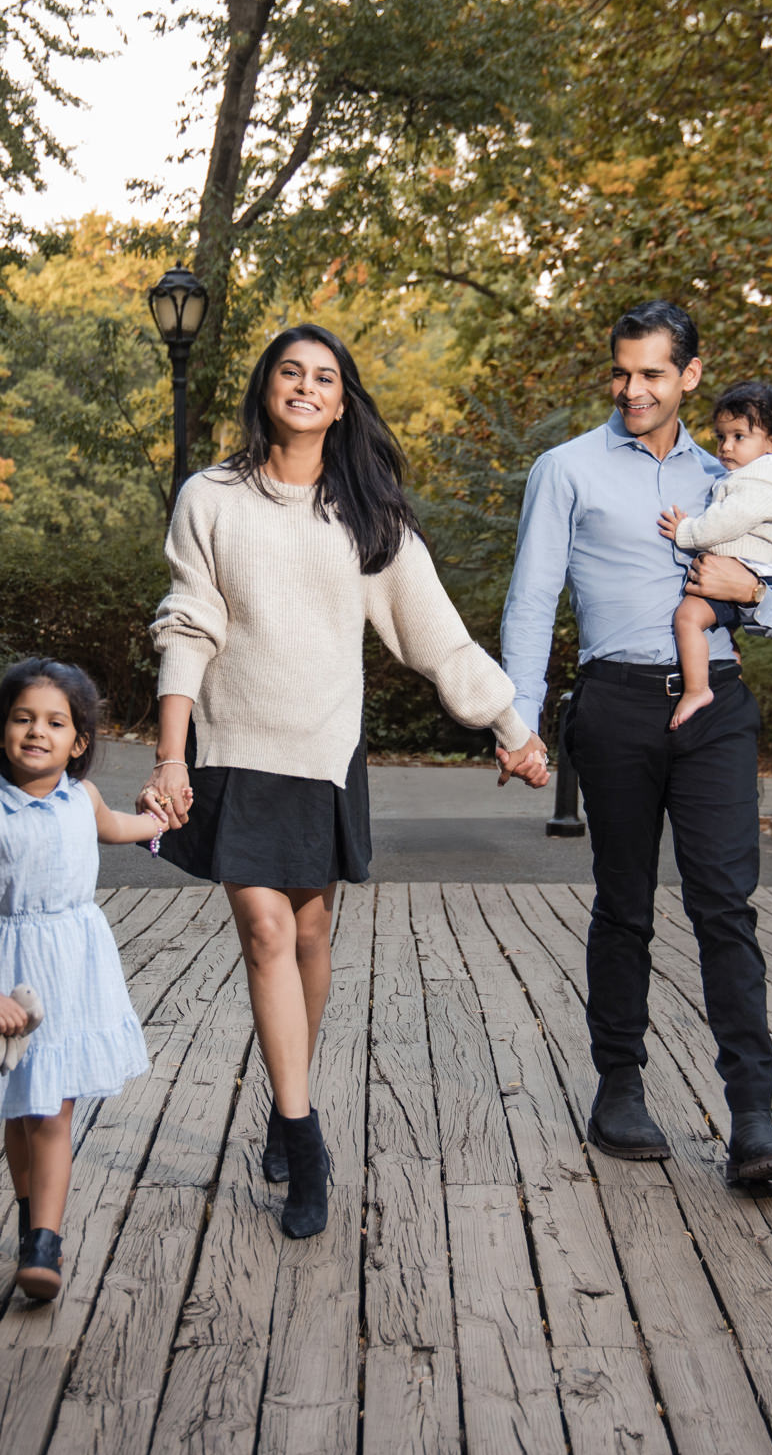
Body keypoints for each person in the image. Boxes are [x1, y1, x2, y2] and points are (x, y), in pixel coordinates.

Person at [142, 323, 549, 1239]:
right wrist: (172, 755)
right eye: (290, 371)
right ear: (266, 389)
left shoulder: (369, 514)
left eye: (324, 377)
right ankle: (303, 1131)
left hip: (324, 753)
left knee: (312, 931)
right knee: (264, 928)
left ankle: (293, 1089)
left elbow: (437, 637)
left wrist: (513, 730)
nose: (306, 386)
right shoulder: (210, 498)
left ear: (342, 400)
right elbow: (187, 625)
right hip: (236, 747)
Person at [499, 300, 772, 1185]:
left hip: (716, 707)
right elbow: (532, 599)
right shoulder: (566, 469)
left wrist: (743, 586)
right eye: (622, 372)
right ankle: (620, 1086)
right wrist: (517, 722)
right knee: (624, 901)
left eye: (653, 375)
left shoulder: (739, 473)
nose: (633, 389)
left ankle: (753, 1116)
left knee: (724, 904)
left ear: (691, 377)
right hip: (617, 704)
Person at [0, 659, 165, 1301]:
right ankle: (32, 1216)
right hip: (9, 977)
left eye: (54, 723)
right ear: (2, 731)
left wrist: (162, 822)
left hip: (75, 974)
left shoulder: (83, 798)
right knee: (23, 1111)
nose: (36, 732)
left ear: (77, 743)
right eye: (23, 719)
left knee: (52, 1108)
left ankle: (43, 1245)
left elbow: (117, 829)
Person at [658, 381, 772, 730]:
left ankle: (697, 689)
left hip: (753, 570)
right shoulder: (757, 475)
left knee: (688, 618)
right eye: (721, 437)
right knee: (714, 629)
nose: (726, 447)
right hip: (752, 567)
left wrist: (686, 532)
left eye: (739, 436)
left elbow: (725, 523)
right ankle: (728, 663)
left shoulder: (760, 481)